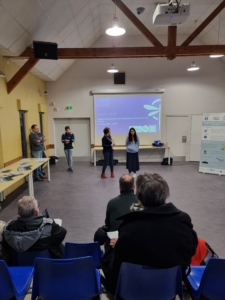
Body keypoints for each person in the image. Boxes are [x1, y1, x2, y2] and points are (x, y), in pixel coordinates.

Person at [102, 172, 198, 293]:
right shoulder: (183, 221)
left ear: (138, 196)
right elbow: (191, 250)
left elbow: (118, 265)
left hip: (133, 290)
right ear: (165, 194)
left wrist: (118, 246)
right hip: (168, 290)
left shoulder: (129, 227)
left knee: (109, 249)